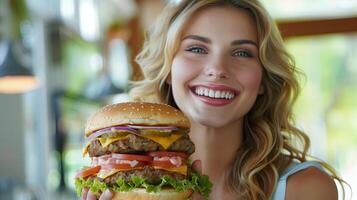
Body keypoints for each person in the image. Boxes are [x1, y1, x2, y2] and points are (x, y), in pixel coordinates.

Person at [83, 0, 347, 199]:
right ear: (168, 70)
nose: (218, 68)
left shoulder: (305, 188)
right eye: (197, 48)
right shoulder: (116, 187)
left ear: (264, 79)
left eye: (242, 53)